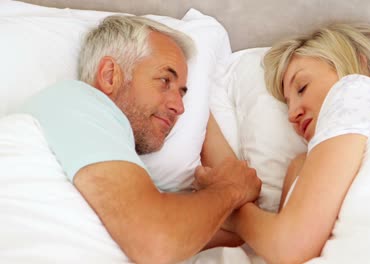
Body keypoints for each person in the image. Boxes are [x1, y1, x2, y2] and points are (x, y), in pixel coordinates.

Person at [19, 15, 260, 263]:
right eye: (165, 81)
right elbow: (159, 242)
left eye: (183, 94)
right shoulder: (73, 102)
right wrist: (231, 189)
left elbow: (230, 231)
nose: (180, 107)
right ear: (110, 75)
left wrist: (229, 192)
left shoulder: (124, 178)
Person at [222, 23, 370, 263]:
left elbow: (289, 246)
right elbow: (277, 244)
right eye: (287, 104)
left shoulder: (356, 89)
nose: (292, 114)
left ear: (357, 65)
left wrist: (231, 211)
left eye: (302, 87)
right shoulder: (303, 166)